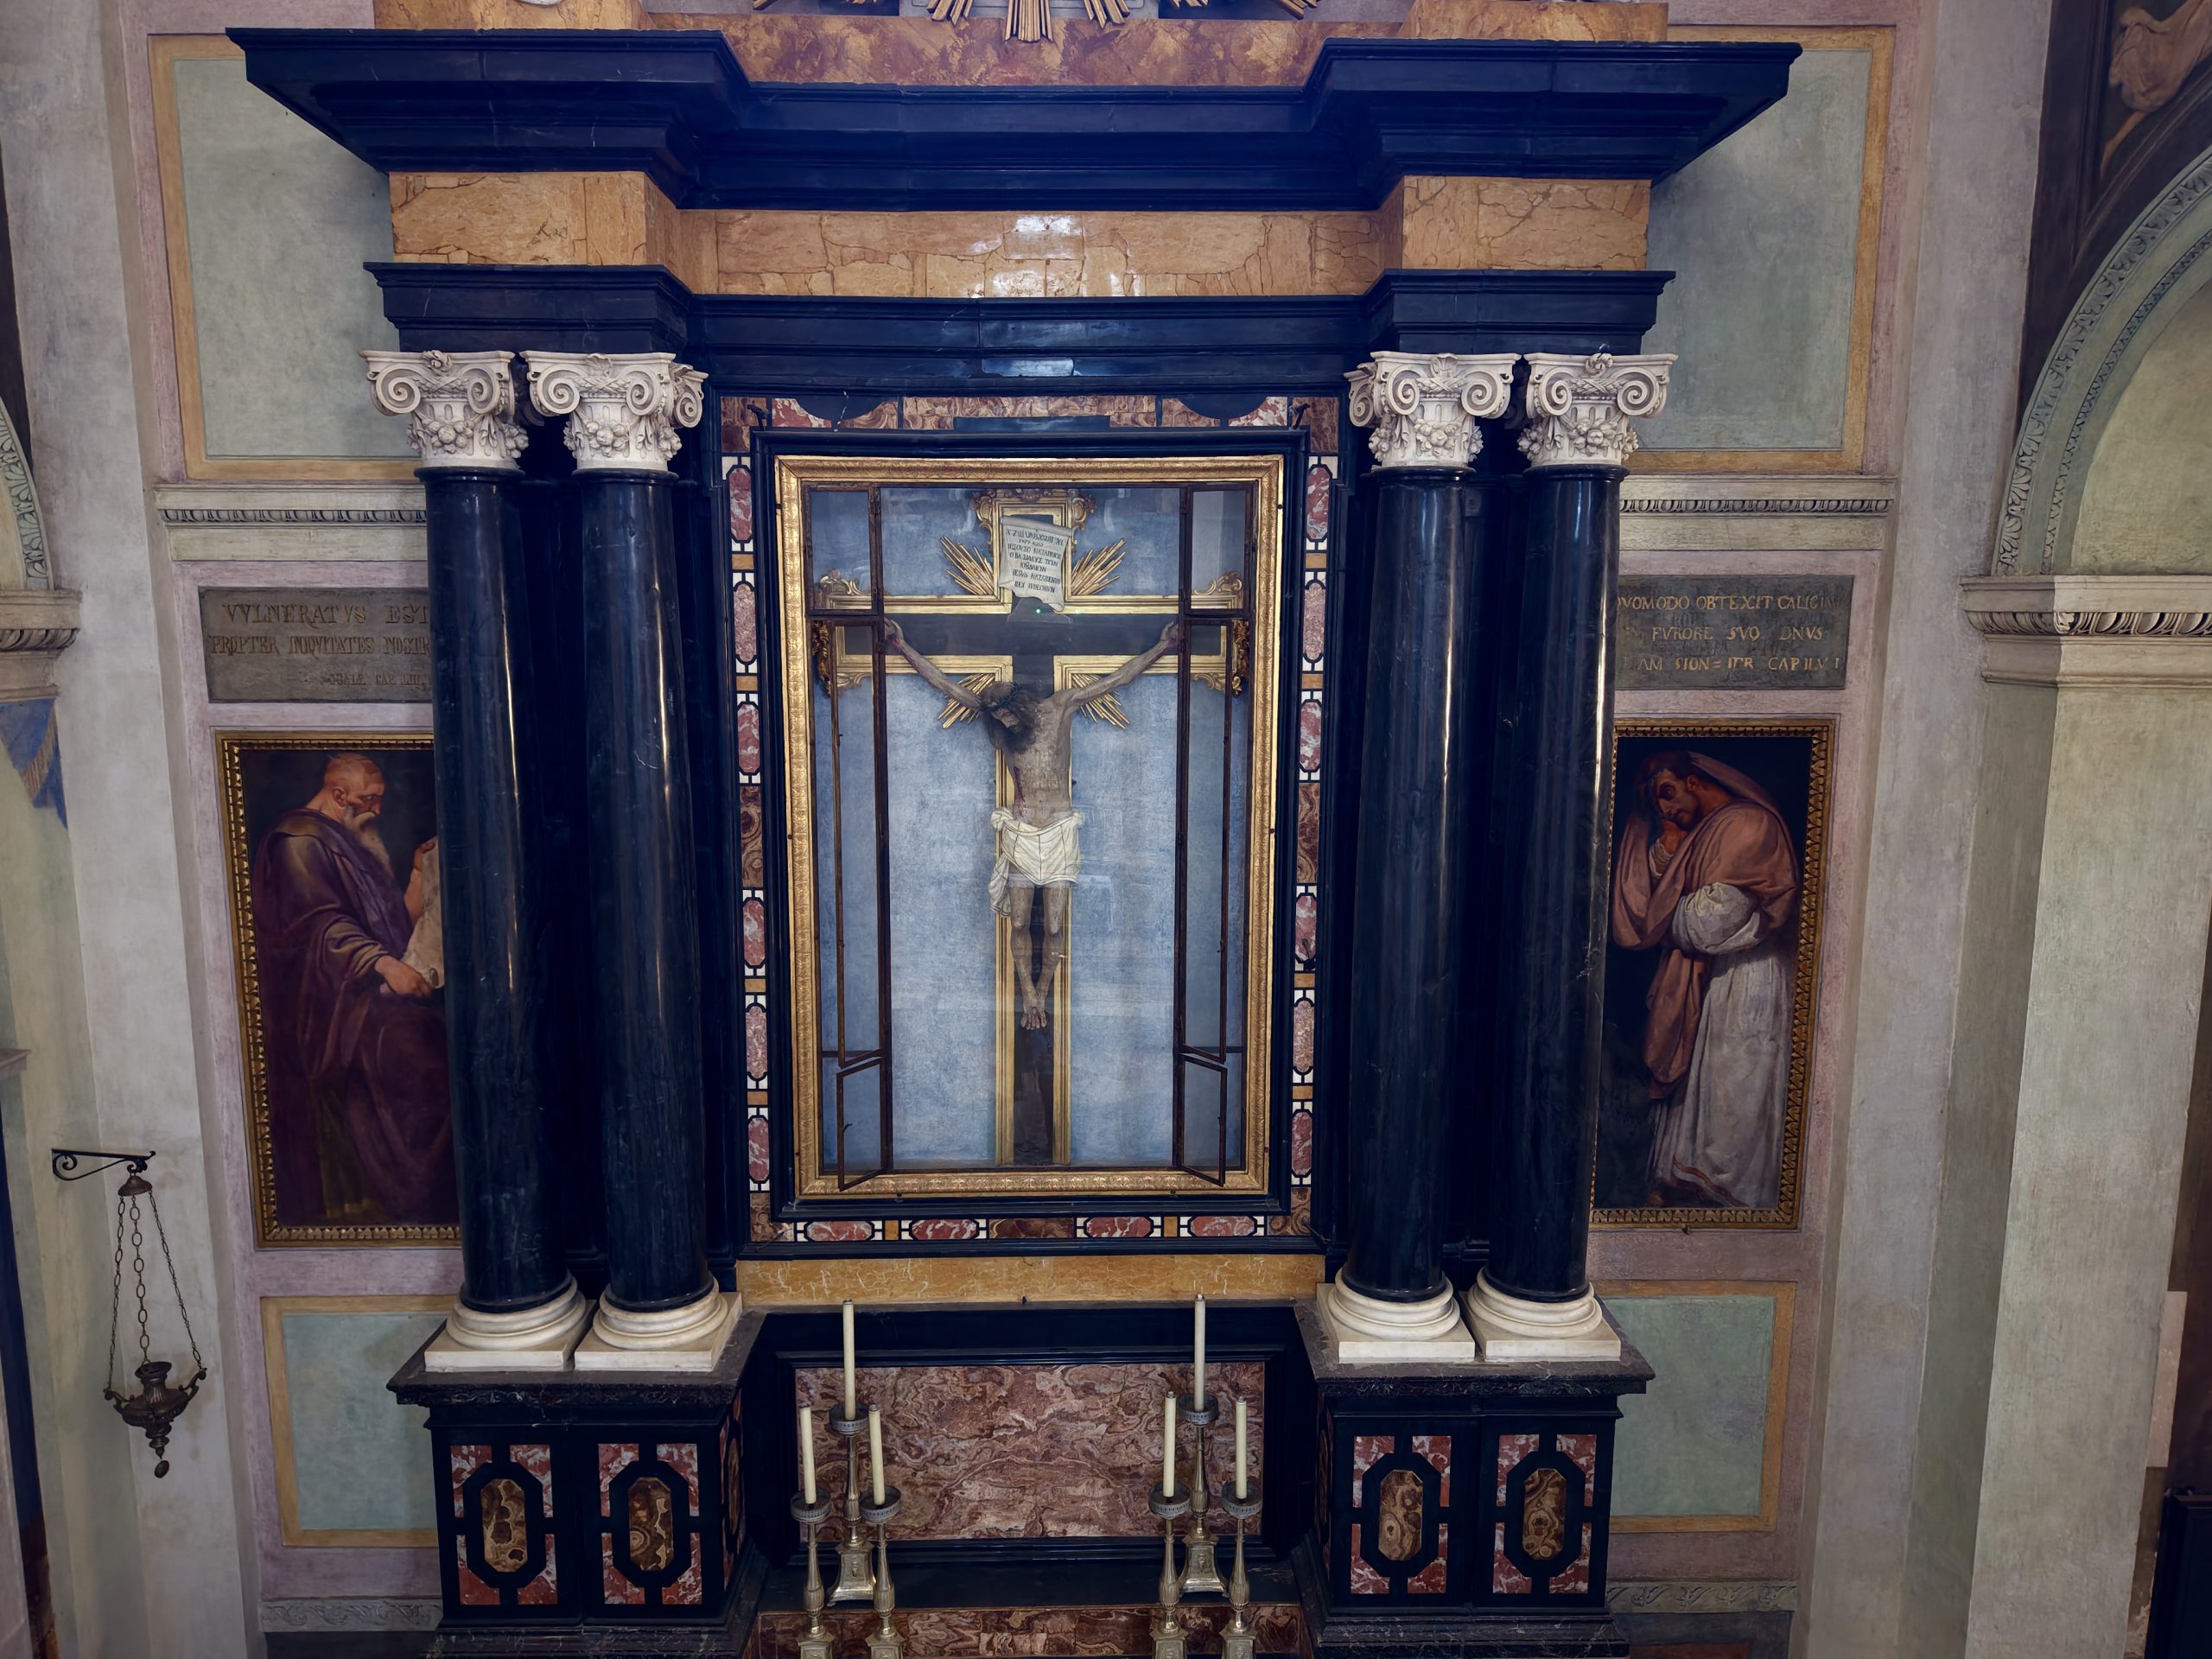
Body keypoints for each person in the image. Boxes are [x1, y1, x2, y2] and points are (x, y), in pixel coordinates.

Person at [883, 617, 1183, 1028]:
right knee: (1020, 921)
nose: (1004, 722)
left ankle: (1043, 993)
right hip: (1022, 834)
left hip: (1059, 832)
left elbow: (1117, 680)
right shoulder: (1003, 731)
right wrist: (903, 648)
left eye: (1007, 713)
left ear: (1020, 705)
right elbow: (949, 688)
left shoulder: (1060, 707)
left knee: (1055, 924)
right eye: (996, 717)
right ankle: (1029, 994)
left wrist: (1162, 648)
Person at [252, 752, 456, 1225]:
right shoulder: (298, 842)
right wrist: (384, 966)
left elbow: (392, 929)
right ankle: (418, 1201)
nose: (377, 810)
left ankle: (433, 1198)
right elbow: (321, 929)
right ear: (339, 795)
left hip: (370, 996)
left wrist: (419, 875)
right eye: (369, 800)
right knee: (425, 1059)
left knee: (442, 1044)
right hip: (336, 1010)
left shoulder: (348, 842)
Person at [1609, 751, 1799, 1208]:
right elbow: (1673, 896)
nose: (1665, 809)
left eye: (1668, 793)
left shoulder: (1747, 824)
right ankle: (1686, 1190)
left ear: (1694, 781)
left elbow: (1713, 923)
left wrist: (1661, 921)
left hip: (1746, 982)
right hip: (1713, 980)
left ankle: (1725, 1196)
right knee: (1700, 1099)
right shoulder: (1704, 832)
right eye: (1657, 803)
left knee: (1732, 1094)